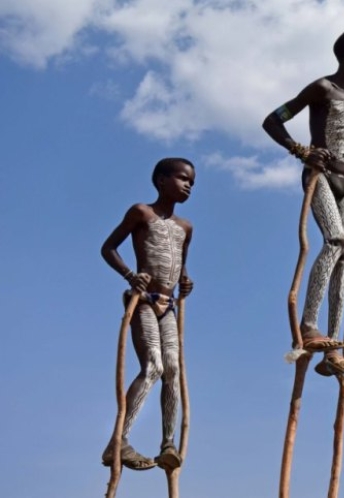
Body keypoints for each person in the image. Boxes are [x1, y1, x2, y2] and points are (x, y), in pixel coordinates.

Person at [262, 30, 344, 375]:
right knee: (335, 241)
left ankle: (333, 347)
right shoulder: (322, 89)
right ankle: (309, 324)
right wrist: (301, 151)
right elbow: (273, 120)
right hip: (321, 176)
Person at [100, 158, 195, 471]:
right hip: (143, 300)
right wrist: (131, 276)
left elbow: (180, 265)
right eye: (182, 178)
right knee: (153, 366)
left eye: (191, 182)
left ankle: (168, 443)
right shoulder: (141, 212)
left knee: (173, 369)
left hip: (169, 305)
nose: (188, 186)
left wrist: (185, 281)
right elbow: (108, 248)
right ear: (161, 180)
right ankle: (118, 442)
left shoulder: (185, 228)